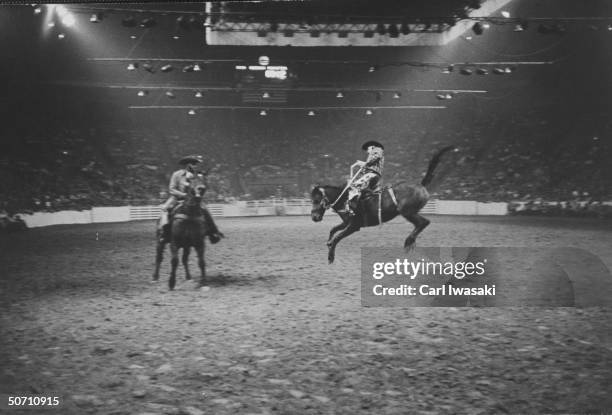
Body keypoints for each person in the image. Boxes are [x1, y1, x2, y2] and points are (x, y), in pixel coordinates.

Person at [159, 155, 223, 243]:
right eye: (193, 163)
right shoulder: (176, 174)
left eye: (196, 164)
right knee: (165, 210)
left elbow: (202, 187)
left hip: (193, 199)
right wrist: (183, 194)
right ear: (187, 165)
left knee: (205, 210)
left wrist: (200, 190)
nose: (195, 166)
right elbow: (171, 189)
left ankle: (213, 232)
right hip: (176, 198)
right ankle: (164, 234)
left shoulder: (198, 176)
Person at [345, 141, 385, 216]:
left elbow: (374, 159)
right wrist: (363, 166)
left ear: (372, 146)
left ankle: (351, 208)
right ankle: (364, 208)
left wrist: (364, 163)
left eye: (367, 149)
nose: (367, 151)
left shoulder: (377, 149)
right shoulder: (374, 152)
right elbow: (369, 164)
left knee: (354, 186)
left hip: (372, 174)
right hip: (371, 174)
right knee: (363, 192)